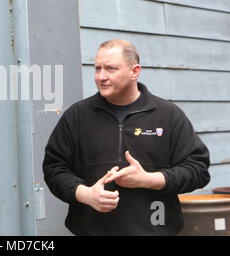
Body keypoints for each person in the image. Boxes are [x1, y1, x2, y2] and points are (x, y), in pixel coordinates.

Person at [43, 39, 210, 235]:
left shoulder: (168, 115)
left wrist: (150, 179)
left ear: (135, 71)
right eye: (97, 69)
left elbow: (198, 169)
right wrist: (84, 193)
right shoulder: (77, 116)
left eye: (111, 69)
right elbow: (54, 167)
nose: (101, 77)